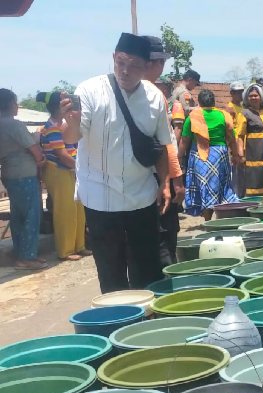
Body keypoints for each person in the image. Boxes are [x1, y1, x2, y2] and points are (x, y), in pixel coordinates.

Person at [61, 33, 172, 293]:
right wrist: (73, 120)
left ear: (146, 68)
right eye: (121, 62)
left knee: (147, 267)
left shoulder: (154, 96)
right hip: (100, 196)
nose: (125, 70)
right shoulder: (89, 90)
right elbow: (72, 136)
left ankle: (147, 322)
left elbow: (163, 144)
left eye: (134, 65)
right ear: (113, 58)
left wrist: (165, 182)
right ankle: (117, 324)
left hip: (141, 196)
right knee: (111, 271)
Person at [143, 34, 186, 266]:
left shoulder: (124, 91)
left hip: (137, 179)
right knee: (165, 236)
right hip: (159, 174)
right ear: (156, 64)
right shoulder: (153, 94)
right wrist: (175, 179)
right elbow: (166, 142)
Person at [37, 91, 88, 261]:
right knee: (65, 210)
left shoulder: (63, 124)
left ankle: (79, 245)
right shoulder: (51, 126)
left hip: (70, 169)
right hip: (58, 170)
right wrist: (80, 167)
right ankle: (65, 250)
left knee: (78, 208)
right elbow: (61, 154)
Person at [0, 88, 47, 270]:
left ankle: (21, 253)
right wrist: (41, 160)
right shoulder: (14, 125)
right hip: (24, 173)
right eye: (15, 102)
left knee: (18, 215)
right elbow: (34, 149)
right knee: (31, 215)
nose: (17, 106)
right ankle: (27, 257)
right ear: (9, 104)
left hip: (9, 173)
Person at [179, 89, 240, 220]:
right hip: (220, 155)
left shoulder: (193, 116)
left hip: (200, 156)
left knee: (204, 185)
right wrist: (235, 155)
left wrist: (178, 157)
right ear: (214, 102)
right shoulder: (223, 115)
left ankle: (207, 218)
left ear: (199, 102)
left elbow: (185, 140)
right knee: (220, 185)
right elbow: (232, 138)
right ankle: (220, 215)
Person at [235, 83, 263, 196]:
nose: (254, 98)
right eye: (251, 96)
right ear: (247, 98)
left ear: (261, 97)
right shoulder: (244, 113)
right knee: (256, 184)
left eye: (256, 95)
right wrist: (240, 155)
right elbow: (239, 136)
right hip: (254, 154)